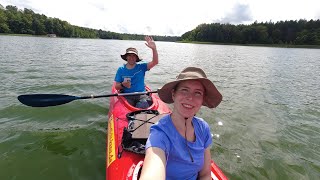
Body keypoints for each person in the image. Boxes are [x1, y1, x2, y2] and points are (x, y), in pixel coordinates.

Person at [139, 67, 223, 180]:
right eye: (184, 90)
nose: (190, 98)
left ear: (202, 100)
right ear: (174, 94)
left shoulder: (203, 128)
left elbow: (205, 175)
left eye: (197, 93)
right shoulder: (160, 134)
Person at [114, 36, 158, 108]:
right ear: (126, 57)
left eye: (134, 56)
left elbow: (155, 62)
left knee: (143, 104)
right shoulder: (121, 69)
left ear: (136, 58)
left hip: (141, 95)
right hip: (127, 95)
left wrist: (154, 49)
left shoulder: (142, 66)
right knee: (127, 106)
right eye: (129, 55)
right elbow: (116, 87)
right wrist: (122, 85)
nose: (131, 58)